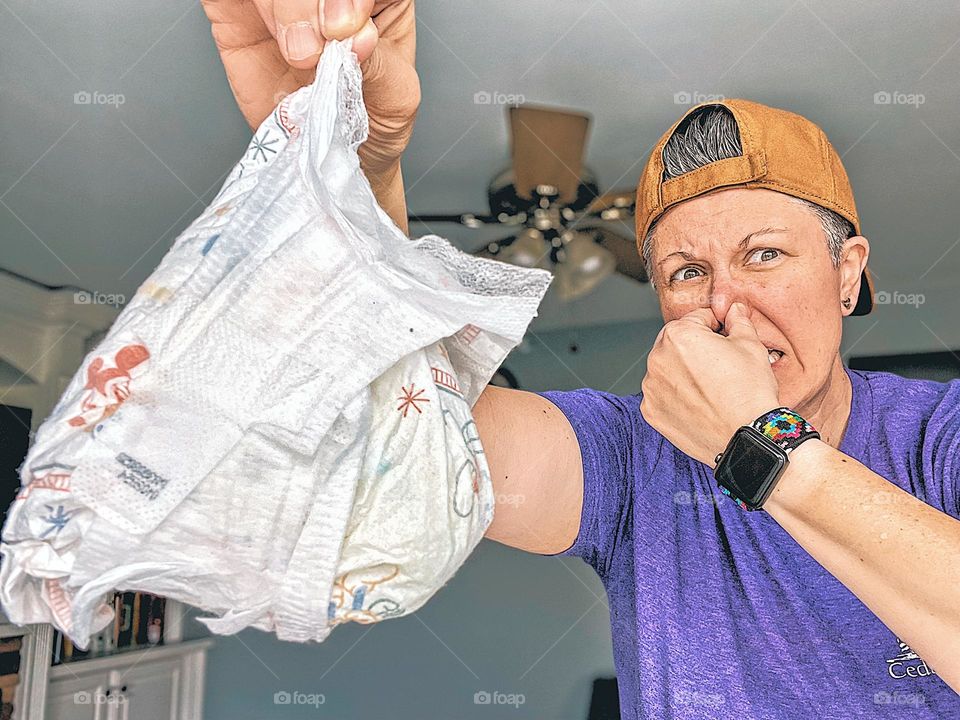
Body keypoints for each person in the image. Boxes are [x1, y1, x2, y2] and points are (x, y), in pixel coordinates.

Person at [200, 1, 960, 716]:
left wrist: (760, 444)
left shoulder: (941, 437)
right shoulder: (630, 459)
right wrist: (345, 172)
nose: (726, 306)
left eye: (763, 254)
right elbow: (406, 429)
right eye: (687, 273)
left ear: (849, 272)